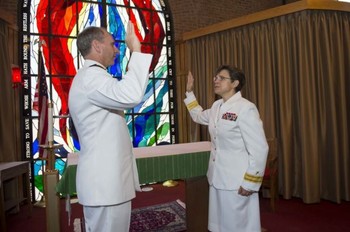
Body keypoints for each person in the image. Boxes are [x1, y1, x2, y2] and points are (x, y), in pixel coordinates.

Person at [68, 22, 153, 231]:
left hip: (108, 181)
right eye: (113, 44)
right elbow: (130, 95)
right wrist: (136, 51)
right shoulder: (91, 78)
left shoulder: (94, 76)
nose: (116, 49)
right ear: (97, 46)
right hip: (105, 182)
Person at [184, 65, 268, 232]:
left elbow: (260, 148)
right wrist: (189, 93)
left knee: (238, 226)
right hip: (217, 177)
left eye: (221, 78)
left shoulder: (246, 108)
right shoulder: (217, 106)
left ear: (235, 83)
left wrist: (250, 182)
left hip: (237, 181)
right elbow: (198, 115)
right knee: (221, 224)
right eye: (215, 77)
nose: (216, 80)